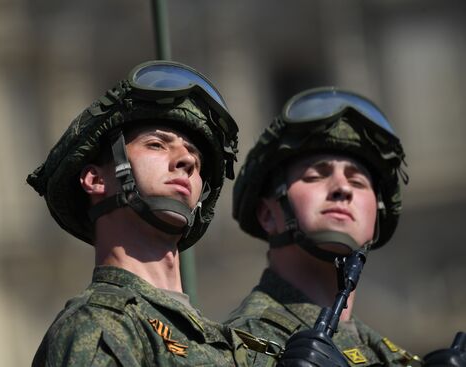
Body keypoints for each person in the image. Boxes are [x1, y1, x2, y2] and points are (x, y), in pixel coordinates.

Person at [27, 60, 250, 366]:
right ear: (95, 179)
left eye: (195, 156)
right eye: (157, 144)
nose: (186, 160)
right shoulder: (98, 326)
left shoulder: (233, 346)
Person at [226, 87, 464, 366]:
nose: (342, 188)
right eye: (316, 176)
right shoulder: (241, 345)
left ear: (376, 217)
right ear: (268, 214)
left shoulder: (389, 355)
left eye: (358, 182)